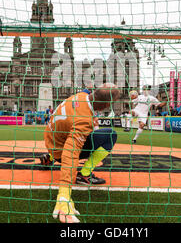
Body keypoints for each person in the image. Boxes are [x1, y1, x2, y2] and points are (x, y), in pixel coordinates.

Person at [39, 83, 121, 223]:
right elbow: (70, 154)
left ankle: (50, 157)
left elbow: (87, 92)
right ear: (107, 105)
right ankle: (84, 174)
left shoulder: (80, 95)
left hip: (51, 141)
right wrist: (64, 194)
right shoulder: (83, 121)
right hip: (61, 150)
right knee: (111, 135)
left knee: (70, 132)